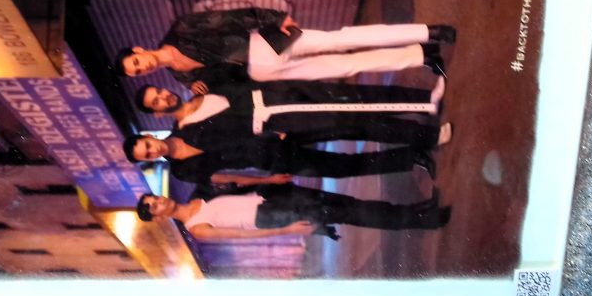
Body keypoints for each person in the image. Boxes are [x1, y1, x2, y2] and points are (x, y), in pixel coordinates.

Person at [114, 8, 455, 90]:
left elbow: (229, 17)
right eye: (138, 72)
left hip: (263, 42)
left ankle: (428, 32)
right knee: (345, 67)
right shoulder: (180, 78)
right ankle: (422, 56)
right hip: (263, 72)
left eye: (137, 62)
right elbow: (225, 83)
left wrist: (274, 18)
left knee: (342, 39)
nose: (143, 67)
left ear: (140, 49)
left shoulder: (181, 28)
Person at [135, 81, 453, 151]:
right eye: (157, 101)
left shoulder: (200, 89)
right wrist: (272, 136)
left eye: (159, 91)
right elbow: (233, 143)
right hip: (280, 121)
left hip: (277, 95)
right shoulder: (190, 133)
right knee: (355, 122)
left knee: (353, 96)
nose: (164, 96)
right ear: (158, 114)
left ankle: (425, 99)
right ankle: (429, 136)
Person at [135, 185, 451, 241]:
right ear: (159, 218)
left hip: (272, 200)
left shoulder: (197, 198)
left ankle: (417, 210)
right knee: (349, 213)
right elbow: (241, 236)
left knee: (348, 205)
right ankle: (425, 221)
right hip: (272, 218)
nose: (159, 201)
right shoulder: (196, 227)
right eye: (154, 206)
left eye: (154, 198)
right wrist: (286, 231)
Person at [123, 131, 437, 185]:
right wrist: (267, 179)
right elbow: (223, 177)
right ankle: (413, 157)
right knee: (343, 166)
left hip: (275, 133)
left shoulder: (185, 125)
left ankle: (417, 136)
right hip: (270, 161)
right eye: (147, 155)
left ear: (148, 137)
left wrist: (270, 128)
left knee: (345, 127)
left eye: (147, 145)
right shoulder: (181, 171)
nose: (153, 150)